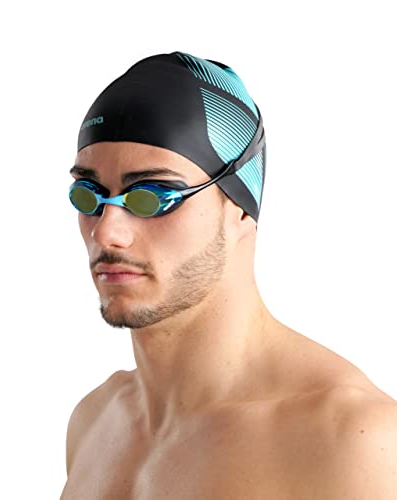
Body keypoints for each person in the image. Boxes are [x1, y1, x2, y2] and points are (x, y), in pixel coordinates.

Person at [60, 51, 397, 499]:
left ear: (240, 208)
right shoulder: (95, 422)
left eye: (153, 196)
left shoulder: (352, 441)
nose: (106, 232)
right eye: (89, 195)